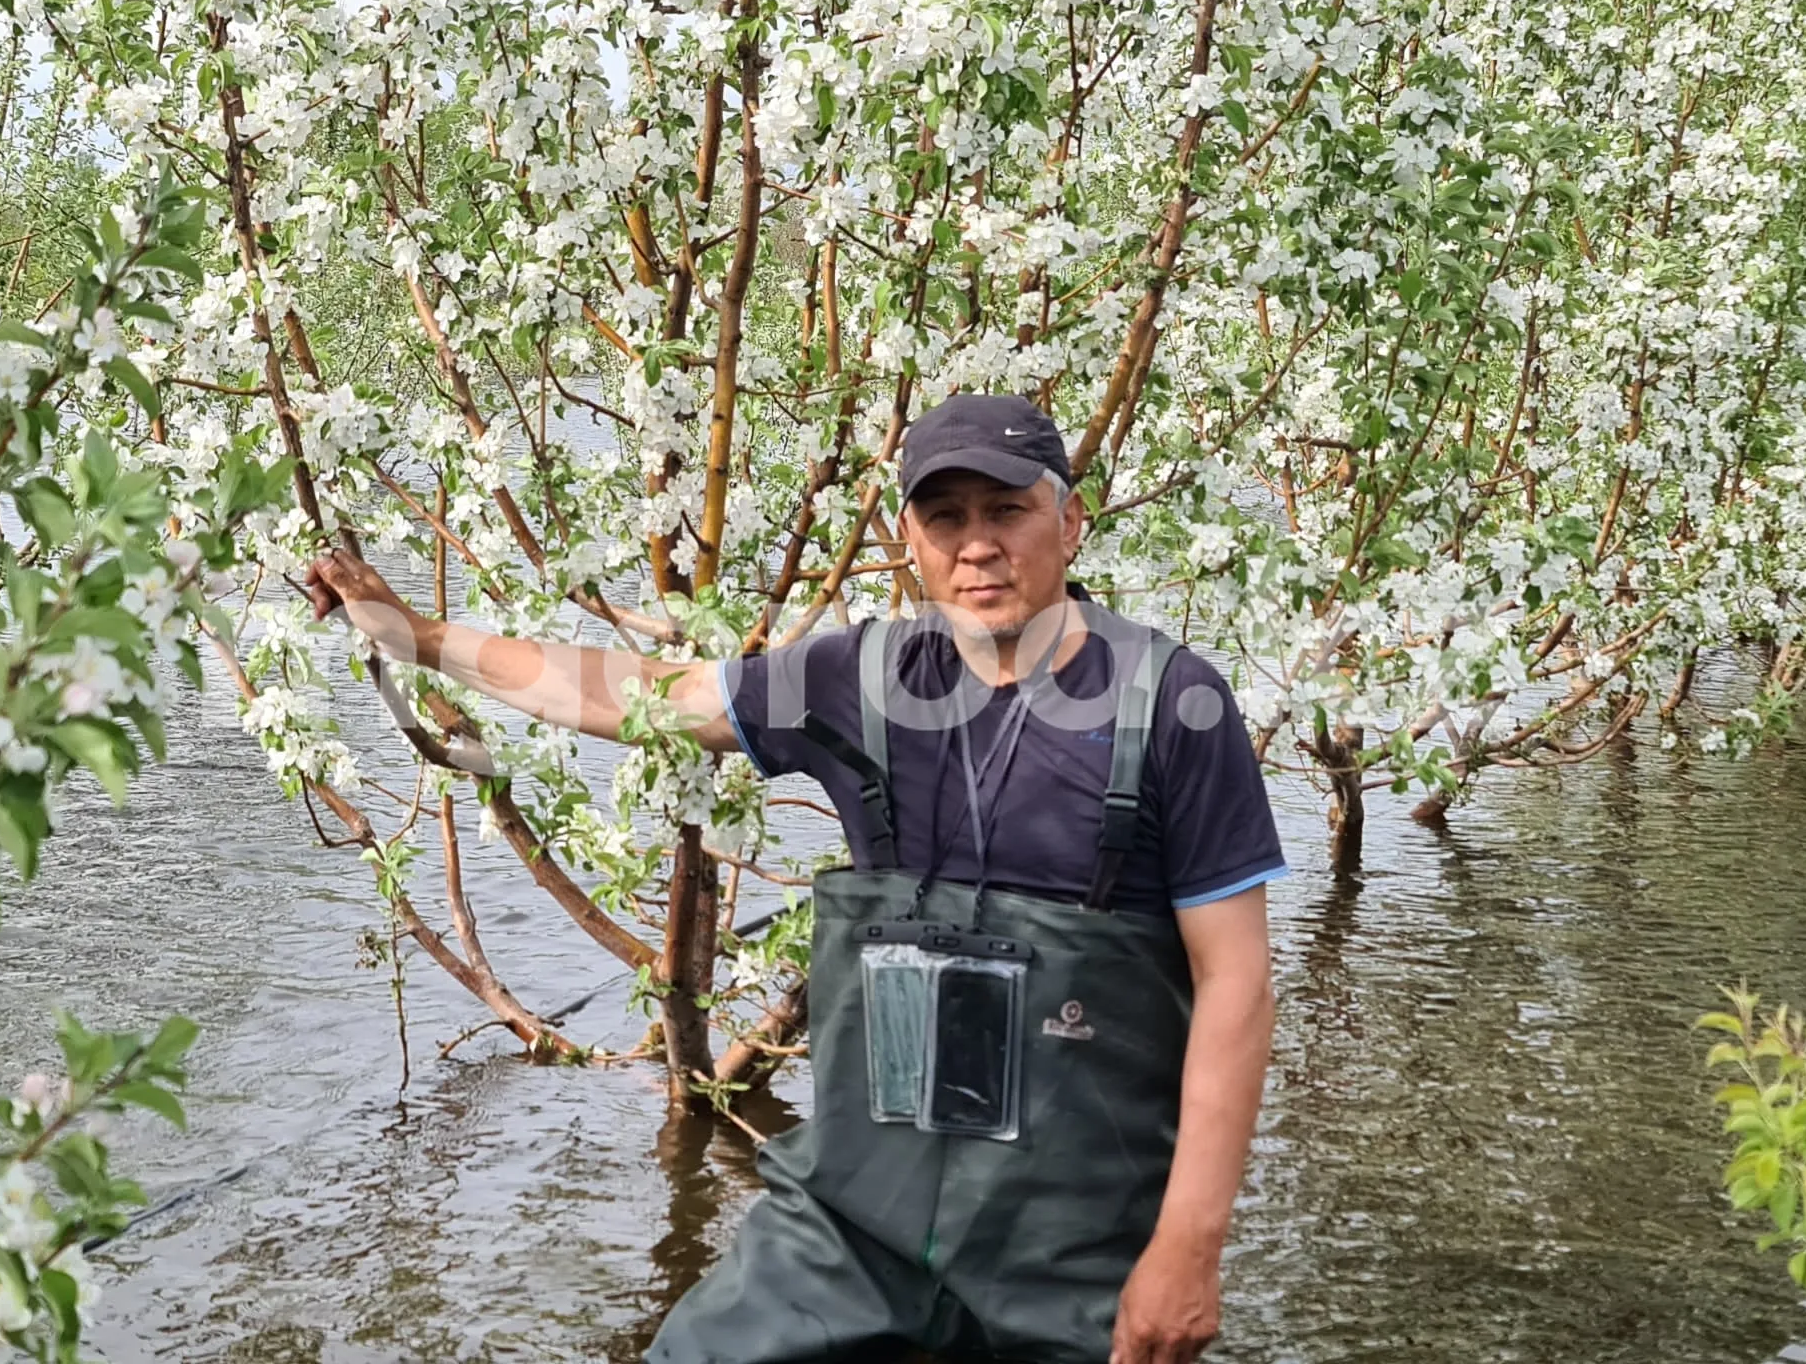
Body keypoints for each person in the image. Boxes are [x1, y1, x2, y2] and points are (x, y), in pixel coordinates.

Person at [302, 392, 1284, 1364]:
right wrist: (420, 638)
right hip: (858, 1225)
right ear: (909, 538)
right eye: (946, 517)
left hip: (1069, 1246)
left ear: (1068, 519)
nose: (975, 545)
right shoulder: (860, 681)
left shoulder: (1172, 704)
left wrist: (1186, 1248)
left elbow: (1234, 981)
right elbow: (647, 697)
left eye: (1006, 510)